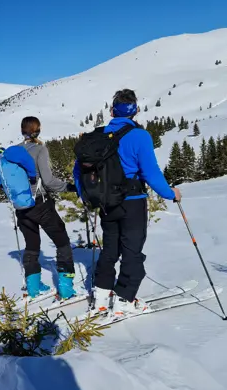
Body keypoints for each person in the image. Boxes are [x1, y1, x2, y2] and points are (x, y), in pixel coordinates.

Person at [73, 89, 182, 318]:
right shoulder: (140, 136)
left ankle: (101, 295)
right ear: (136, 111)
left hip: (107, 204)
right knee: (132, 251)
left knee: (110, 249)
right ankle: (125, 299)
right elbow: (150, 173)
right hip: (133, 202)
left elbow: (78, 171)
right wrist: (170, 193)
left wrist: (86, 196)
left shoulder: (96, 137)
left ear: (112, 111)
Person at [15, 116, 78, 300]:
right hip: (40, 204)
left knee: (32, 244)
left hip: (21, 207)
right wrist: (70, 187)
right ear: (38, 130)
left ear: (22, 131)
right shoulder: (39, 149)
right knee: (62, 241)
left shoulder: (15, 151)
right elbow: (49, 181)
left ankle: (34, 288)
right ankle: (66, 288)